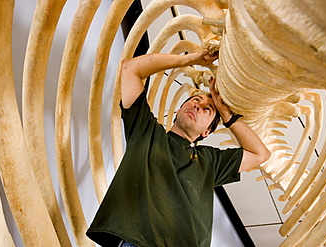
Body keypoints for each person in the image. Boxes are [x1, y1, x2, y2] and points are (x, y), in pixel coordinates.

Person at [86, 50, 271, 247]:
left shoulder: (210, 161)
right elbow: (130, 68)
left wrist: (226, 114)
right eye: (195, 100)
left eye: (207, 109)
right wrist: (188, 59)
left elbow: (260, 154)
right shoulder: (146, 132)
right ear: (178, 111)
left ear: (207, 132)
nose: (198, 106)